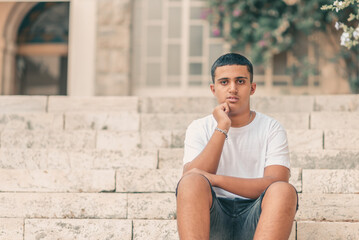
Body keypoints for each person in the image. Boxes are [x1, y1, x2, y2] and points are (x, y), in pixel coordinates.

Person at [176, 53, 298, 240]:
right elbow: (192, 177)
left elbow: (276, 181)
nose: (232, 89)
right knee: (191, 183)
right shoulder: (199, 127)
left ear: (252, 88)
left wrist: (215, 179)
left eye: (240, 81)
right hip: (211, 217)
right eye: (224, 82)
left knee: (284, 191)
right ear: (213, 89)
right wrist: (223, 126)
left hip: (257, 217)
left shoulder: (271, 128)